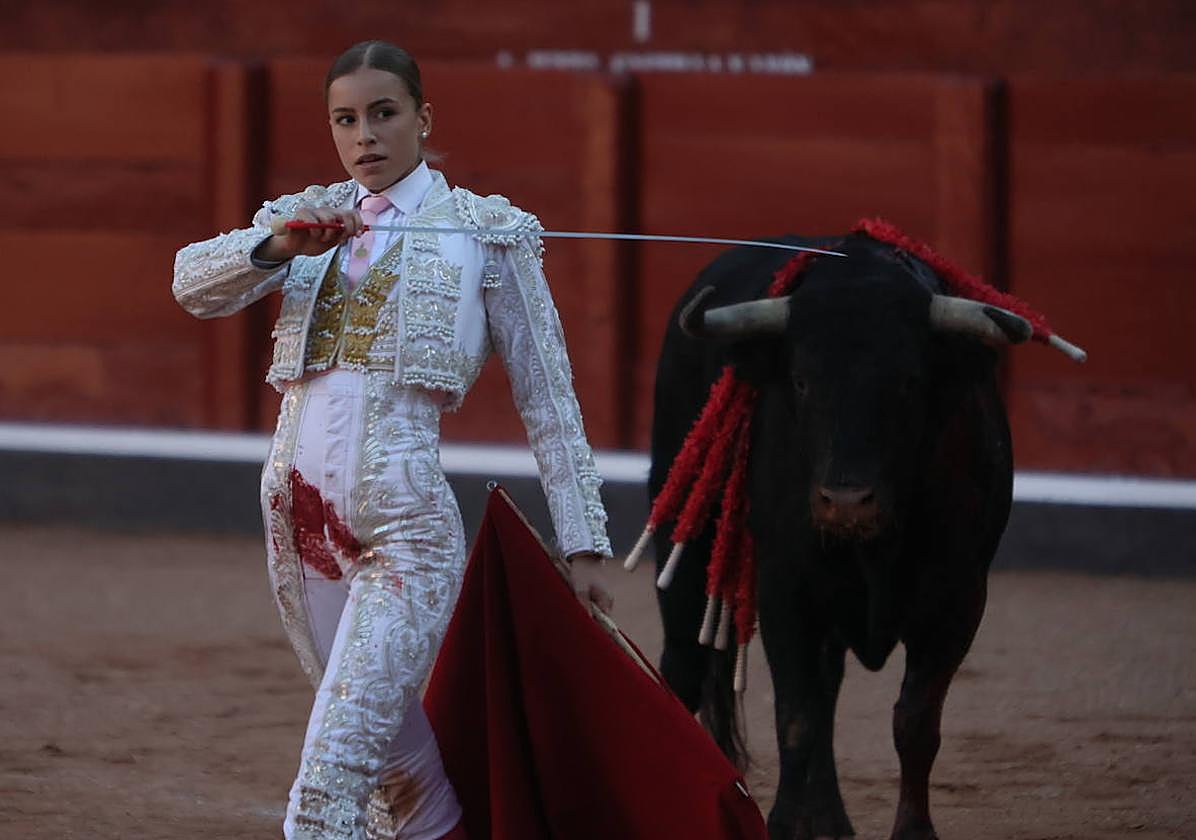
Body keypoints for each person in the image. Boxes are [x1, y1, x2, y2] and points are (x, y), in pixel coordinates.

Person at [172, 39, 614, 840]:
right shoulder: (305, 219)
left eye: (383, 114)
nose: (364, 136)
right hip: (295, 534)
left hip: (404, 535)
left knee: (324, 796)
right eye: (346, 119)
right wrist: (278, 247)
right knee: (401, 787)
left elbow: (548, 396)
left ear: (422, 117)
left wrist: (583, 540)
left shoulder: (487, 231)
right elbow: (191, 286)